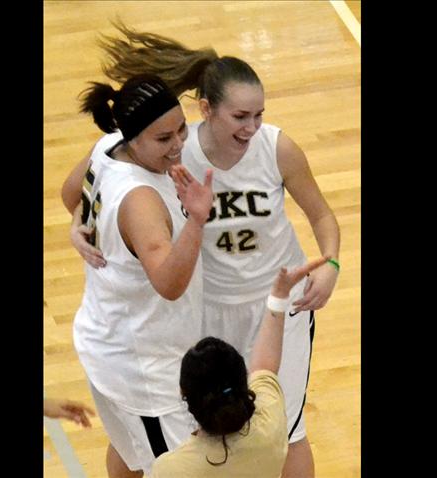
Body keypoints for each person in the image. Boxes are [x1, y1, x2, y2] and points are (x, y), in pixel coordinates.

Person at [63, 22, 340, 478]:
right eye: (239, 117)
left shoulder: (267, 147)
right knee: (183, 451)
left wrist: (329, 263)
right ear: (207, 110)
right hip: (200, 318)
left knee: (286, 432)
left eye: (259, 115)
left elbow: (324, 216)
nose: (252, 127)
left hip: (274, 307)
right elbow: (89, 188)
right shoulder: (170, 151)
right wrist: (82, 224)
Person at [63, 73, 213, 478]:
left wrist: (78, 224)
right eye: (163, 139)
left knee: (130, 455)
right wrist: (197, 221)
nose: (179, 144)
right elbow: (168, 284)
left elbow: (70, 191)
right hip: (145, 370)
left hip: (106, 339)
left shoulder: (106, 147)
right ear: (135, 137)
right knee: (179, 469)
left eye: (181, 129)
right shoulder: (141, 201)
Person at [147, 248, 329, 477]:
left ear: (184, 395)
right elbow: (266, 365)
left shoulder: (170, 468)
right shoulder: (270, 426)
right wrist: (279, 298)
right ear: (244, 383)